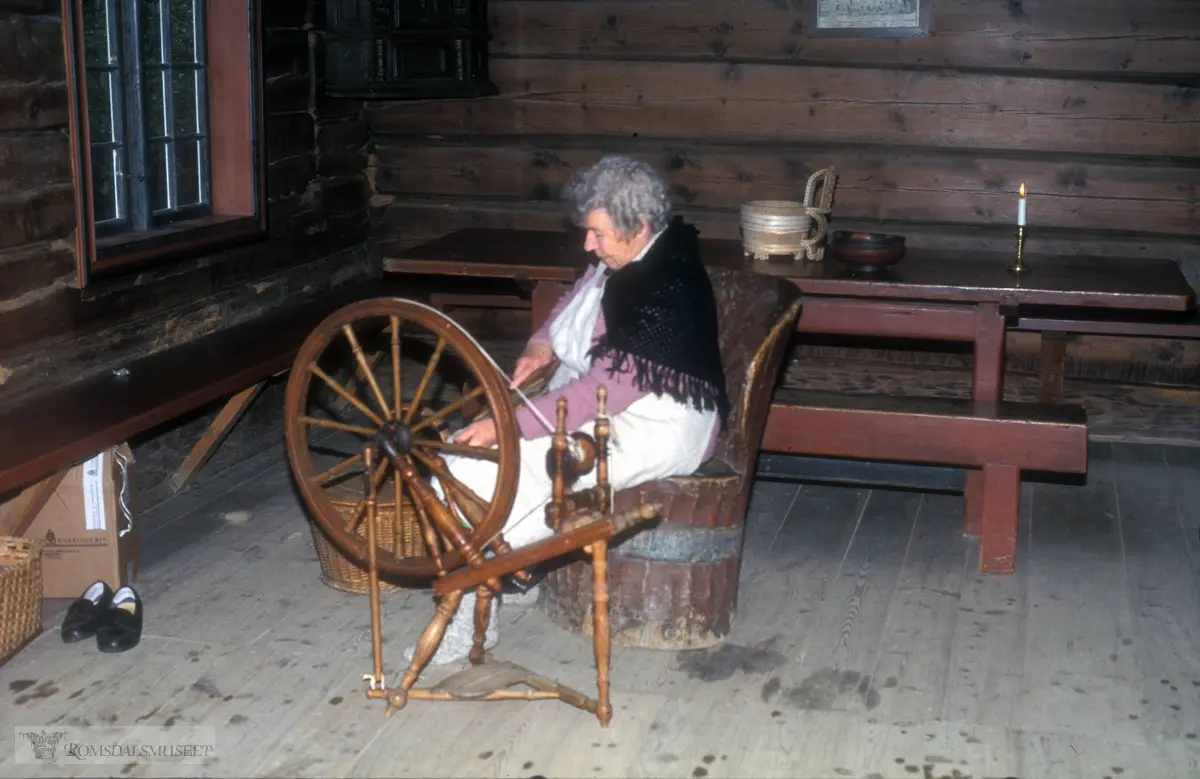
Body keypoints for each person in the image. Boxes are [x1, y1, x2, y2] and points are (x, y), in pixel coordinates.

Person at [408, 154, 730, 666]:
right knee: (469, 457)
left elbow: (595, 395)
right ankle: (512, 575)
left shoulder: (664, 292)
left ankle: (476, 606)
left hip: (657, 422)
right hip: (604, 401)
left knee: (520, 471)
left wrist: (504, 427)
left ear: (639, 226)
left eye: (597, 234)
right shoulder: (624, 259)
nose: (588, 245)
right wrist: (541, 345)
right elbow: (573, 303)